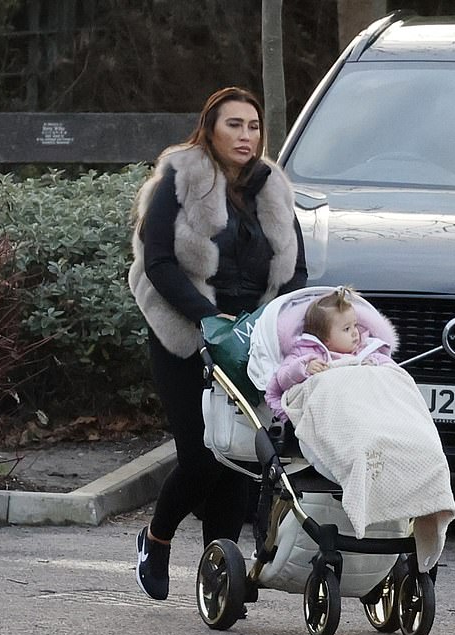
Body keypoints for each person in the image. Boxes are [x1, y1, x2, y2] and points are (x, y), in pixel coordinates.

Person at [128, 87, 307, 601]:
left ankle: (221, 573)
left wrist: (273, 325)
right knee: (202, 455)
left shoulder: (274, 189)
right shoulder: (179, 179)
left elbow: (296, 273)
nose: (246, 135)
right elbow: (158, 260)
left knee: (242, 455)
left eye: (253, 126)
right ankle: (156, 539)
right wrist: (210, 318)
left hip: (252, 340)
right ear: (210, 128)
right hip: (185, 333)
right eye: (234, 124)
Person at [264, 287, 393, 420]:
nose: (355, 332)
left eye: (355, 325)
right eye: (347, 329)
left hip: (365, 409)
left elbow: (390, 369)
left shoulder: (365, 350)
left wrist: (381, 368)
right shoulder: (304, 353)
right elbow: (281, 379)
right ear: (325, 338)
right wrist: (304, 368)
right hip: (330, 413)